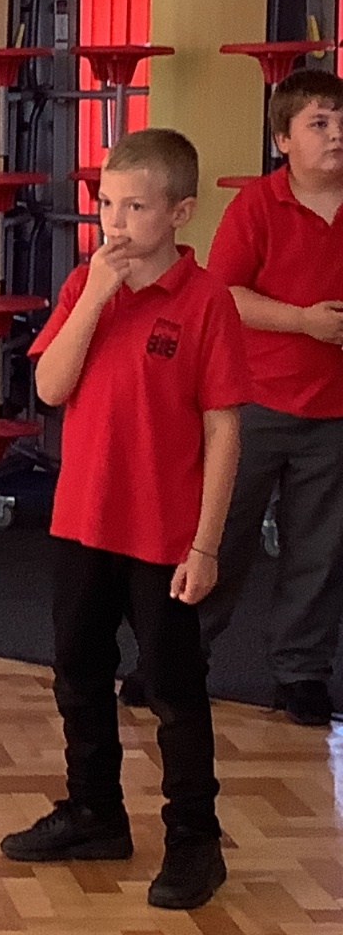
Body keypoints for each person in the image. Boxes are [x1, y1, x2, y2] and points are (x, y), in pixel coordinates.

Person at [1, 129, 244, 910]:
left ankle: (195, 839)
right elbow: (50, 388)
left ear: (180, 212)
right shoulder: (84, 285)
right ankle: (94, 813)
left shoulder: (206, 302)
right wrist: (97, 296)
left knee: (173, 688)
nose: (115, 221)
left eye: (135, 207)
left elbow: (224, 430)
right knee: (77, 671)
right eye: (106, 203)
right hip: (82, 522)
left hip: (164, 535)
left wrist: (206, 544)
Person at [198, 68, 343, 725]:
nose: (336, 135)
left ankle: (302, 672)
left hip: (334, 410)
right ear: (283, 139)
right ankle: (181, 654)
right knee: (220, 534)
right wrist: (305, 322)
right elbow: (224, 294)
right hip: (252, 402)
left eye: (342, 123)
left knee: (321, 549)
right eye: (319, 123)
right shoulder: (256, 205)